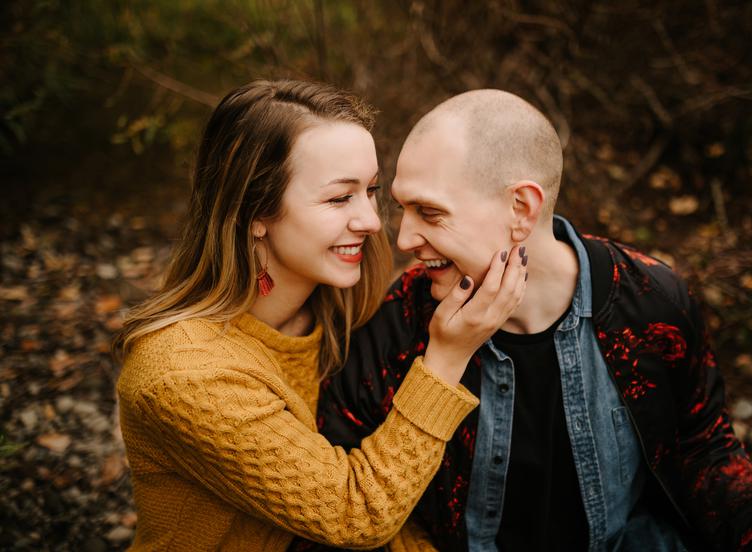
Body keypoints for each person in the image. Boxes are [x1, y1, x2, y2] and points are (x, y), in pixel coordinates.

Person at [317, 89, 752, 551]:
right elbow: (349, 493)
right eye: (403, 209)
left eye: (429, 212)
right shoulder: (396, 327)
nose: (404, 239)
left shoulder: (651, 304)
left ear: (521, 209)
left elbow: (704, 450)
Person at [113, 80, 528, 551]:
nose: (371, 221)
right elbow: (356, 514)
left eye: (370, 191)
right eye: (338, 198)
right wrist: (447, 357)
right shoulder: (182, 373)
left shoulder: (339, 310)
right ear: (255, 211)